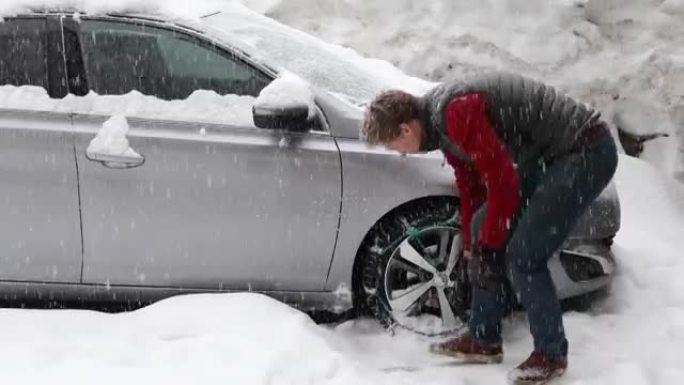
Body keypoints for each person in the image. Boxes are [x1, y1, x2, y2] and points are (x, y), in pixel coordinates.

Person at [361, 72, 618, 384]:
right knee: (483, 226)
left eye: (394, 145)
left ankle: (551, 354)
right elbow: (471, 186)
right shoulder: (440, 128)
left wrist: (490, 245)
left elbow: (502, 182)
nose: (399, 152)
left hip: (584, 150)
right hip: (547, 157)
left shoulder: (454, 113)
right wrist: (472, 245)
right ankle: (484, 338)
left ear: (405, 129)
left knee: (524, 255)